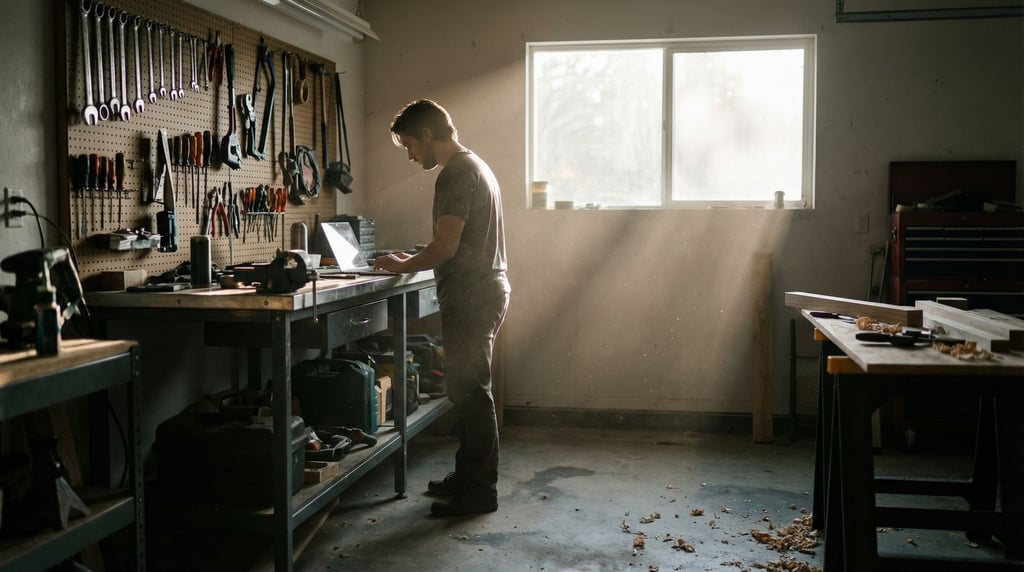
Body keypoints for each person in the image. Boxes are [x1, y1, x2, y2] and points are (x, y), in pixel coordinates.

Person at [375, 99, 511, 517]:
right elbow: (456, 243)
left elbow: (447, 245)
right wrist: (417, 257)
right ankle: (467, 477)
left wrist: (404, 263)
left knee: (471, 394)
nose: (412, 156)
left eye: (410, 145)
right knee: (464, 391)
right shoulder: (476, 166)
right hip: (481, 289)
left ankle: (479, 491)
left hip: (473, 295)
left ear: (429, 135)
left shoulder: (456, 173)